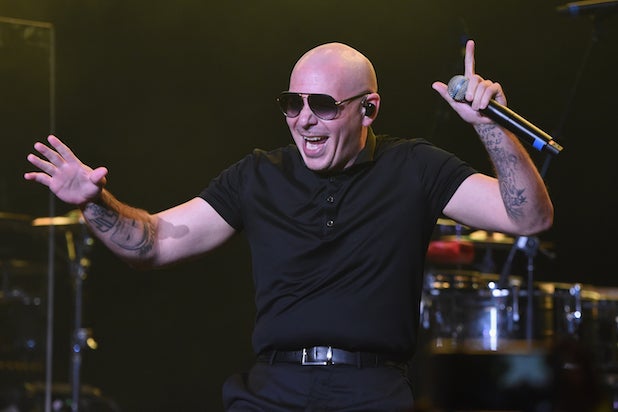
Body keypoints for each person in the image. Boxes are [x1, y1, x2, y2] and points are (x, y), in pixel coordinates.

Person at [24, 40, 553, 411]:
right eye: (291, 103)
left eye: (322, 105)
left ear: (368, 109)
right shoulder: (259, 174)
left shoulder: (414, 167)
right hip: (272, 390)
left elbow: (528, 217)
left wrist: (491, 128)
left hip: (371, 391)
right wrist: (94, 202)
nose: (303, 119)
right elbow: (155, 244)